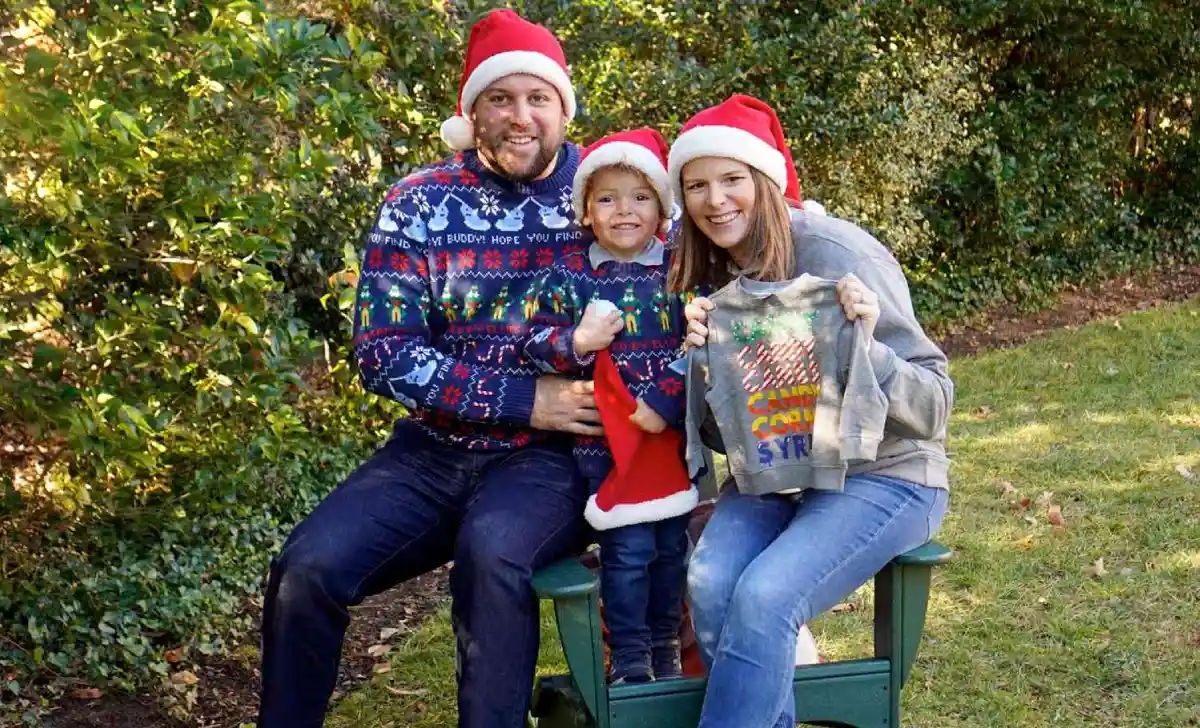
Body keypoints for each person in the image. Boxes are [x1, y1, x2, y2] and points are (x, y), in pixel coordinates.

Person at [256, 11, 602, 728]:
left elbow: (684, 280)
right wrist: (522, 397)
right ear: (471, 110)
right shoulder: (417, 203)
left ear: (563, 107)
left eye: (538, 98)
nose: (520, 116)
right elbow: (382, 350)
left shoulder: (612, 195)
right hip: (431, 452)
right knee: (306, 570)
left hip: (551, 458)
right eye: (500, 99)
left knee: (493, 555)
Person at [666, 94, 953, 728]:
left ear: (765, 180)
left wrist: (866, 346)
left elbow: (933, 406)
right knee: (713, 584)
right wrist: (705, 365)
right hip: (775, 474)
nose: (715, 201)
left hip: (886, 476)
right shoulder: (717, 271)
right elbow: (722, 438)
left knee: (766, 597)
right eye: (696, 186)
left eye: (732, 179)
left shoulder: (835, 253)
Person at [522, 128, 697, 683]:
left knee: (672, 550)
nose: (625, 211)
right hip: (607, 447)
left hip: (672, 439)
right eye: (607, 198)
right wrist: (578, 339)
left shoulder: (679, 270)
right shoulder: (570, 275)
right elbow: (530, 344)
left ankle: (666, 645)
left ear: (662, 207)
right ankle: (630, 657)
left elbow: (704, 346)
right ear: (586, 211)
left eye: (641, 197)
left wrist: (669, 395)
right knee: (627, 552)